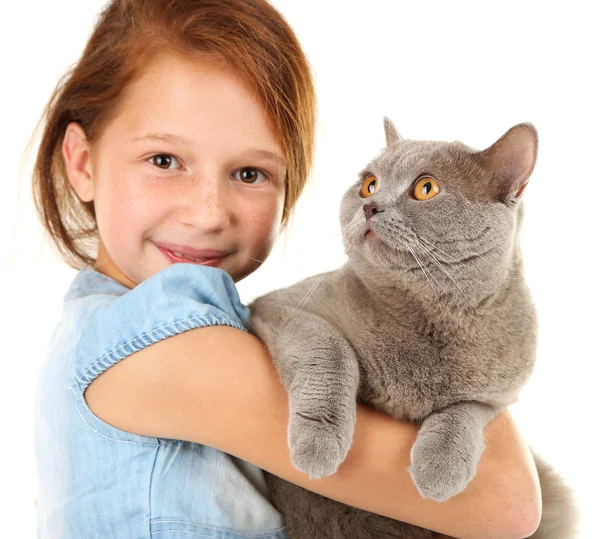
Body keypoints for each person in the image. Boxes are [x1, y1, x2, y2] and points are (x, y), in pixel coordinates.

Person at [31, 1, 541, 538]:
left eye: (250, 172)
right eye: (164, 161)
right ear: (83, 164)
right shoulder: (157, 346)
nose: (208, 214)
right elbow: (504, 501)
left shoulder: (109, 327)